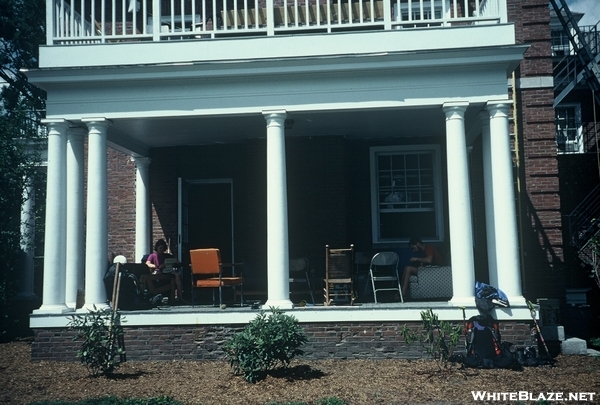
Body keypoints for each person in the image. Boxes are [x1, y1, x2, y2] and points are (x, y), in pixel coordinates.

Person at [146, 239, 186, 304]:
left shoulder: (167, 256)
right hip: (158, 272)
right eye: (160, 248)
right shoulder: (153, 255)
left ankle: (180, 297)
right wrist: (157, 266)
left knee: (177, 275)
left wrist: (174, 264)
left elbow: (177, 262)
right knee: (160, 274)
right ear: (157, 247)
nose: (161, 249)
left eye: (163, 248)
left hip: (168, 271)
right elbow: (147, 264)